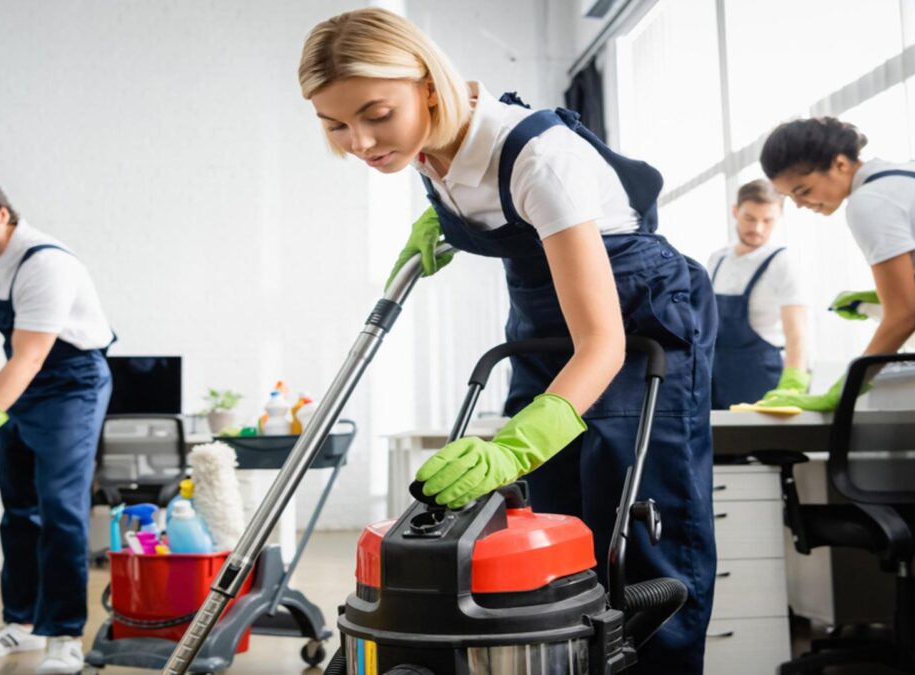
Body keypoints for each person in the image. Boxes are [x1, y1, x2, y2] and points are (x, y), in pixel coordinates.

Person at [298, 9, 717, 672]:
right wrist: (442, 223)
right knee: (545, 527)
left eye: (376, 115)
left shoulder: (539, 157)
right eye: (336, 126)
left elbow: (602, 341)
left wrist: (514, 442)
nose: (361, 141)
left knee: (633, 526)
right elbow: (490, 206)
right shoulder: (424, 145)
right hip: (543, 321)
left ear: (430, 87)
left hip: (634, 318)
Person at [0, 171, 114, 674]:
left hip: (70, 384)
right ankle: (24, 625)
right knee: (20, 509)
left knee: (61, 511)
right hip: (23, 384)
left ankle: (65, 635)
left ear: (1, 213)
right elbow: (20, 345)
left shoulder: (45, 263)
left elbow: (29, 358)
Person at [758, 117, 915, 411]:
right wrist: (882, 298)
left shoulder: (869, 203)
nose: (799, 204)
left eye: (803, 190)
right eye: (789, 196)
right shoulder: (912, 172)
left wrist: (842, 391)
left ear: (840, 164)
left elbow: (904, 318)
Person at [707, 179, 809, 409]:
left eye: (768, 220)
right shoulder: (717, 259)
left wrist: (793, 384)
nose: (758, 228)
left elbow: (797, 334)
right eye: (750, 218)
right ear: (735, 211)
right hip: (717, 375)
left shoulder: (782, 262)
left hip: (762, 377)